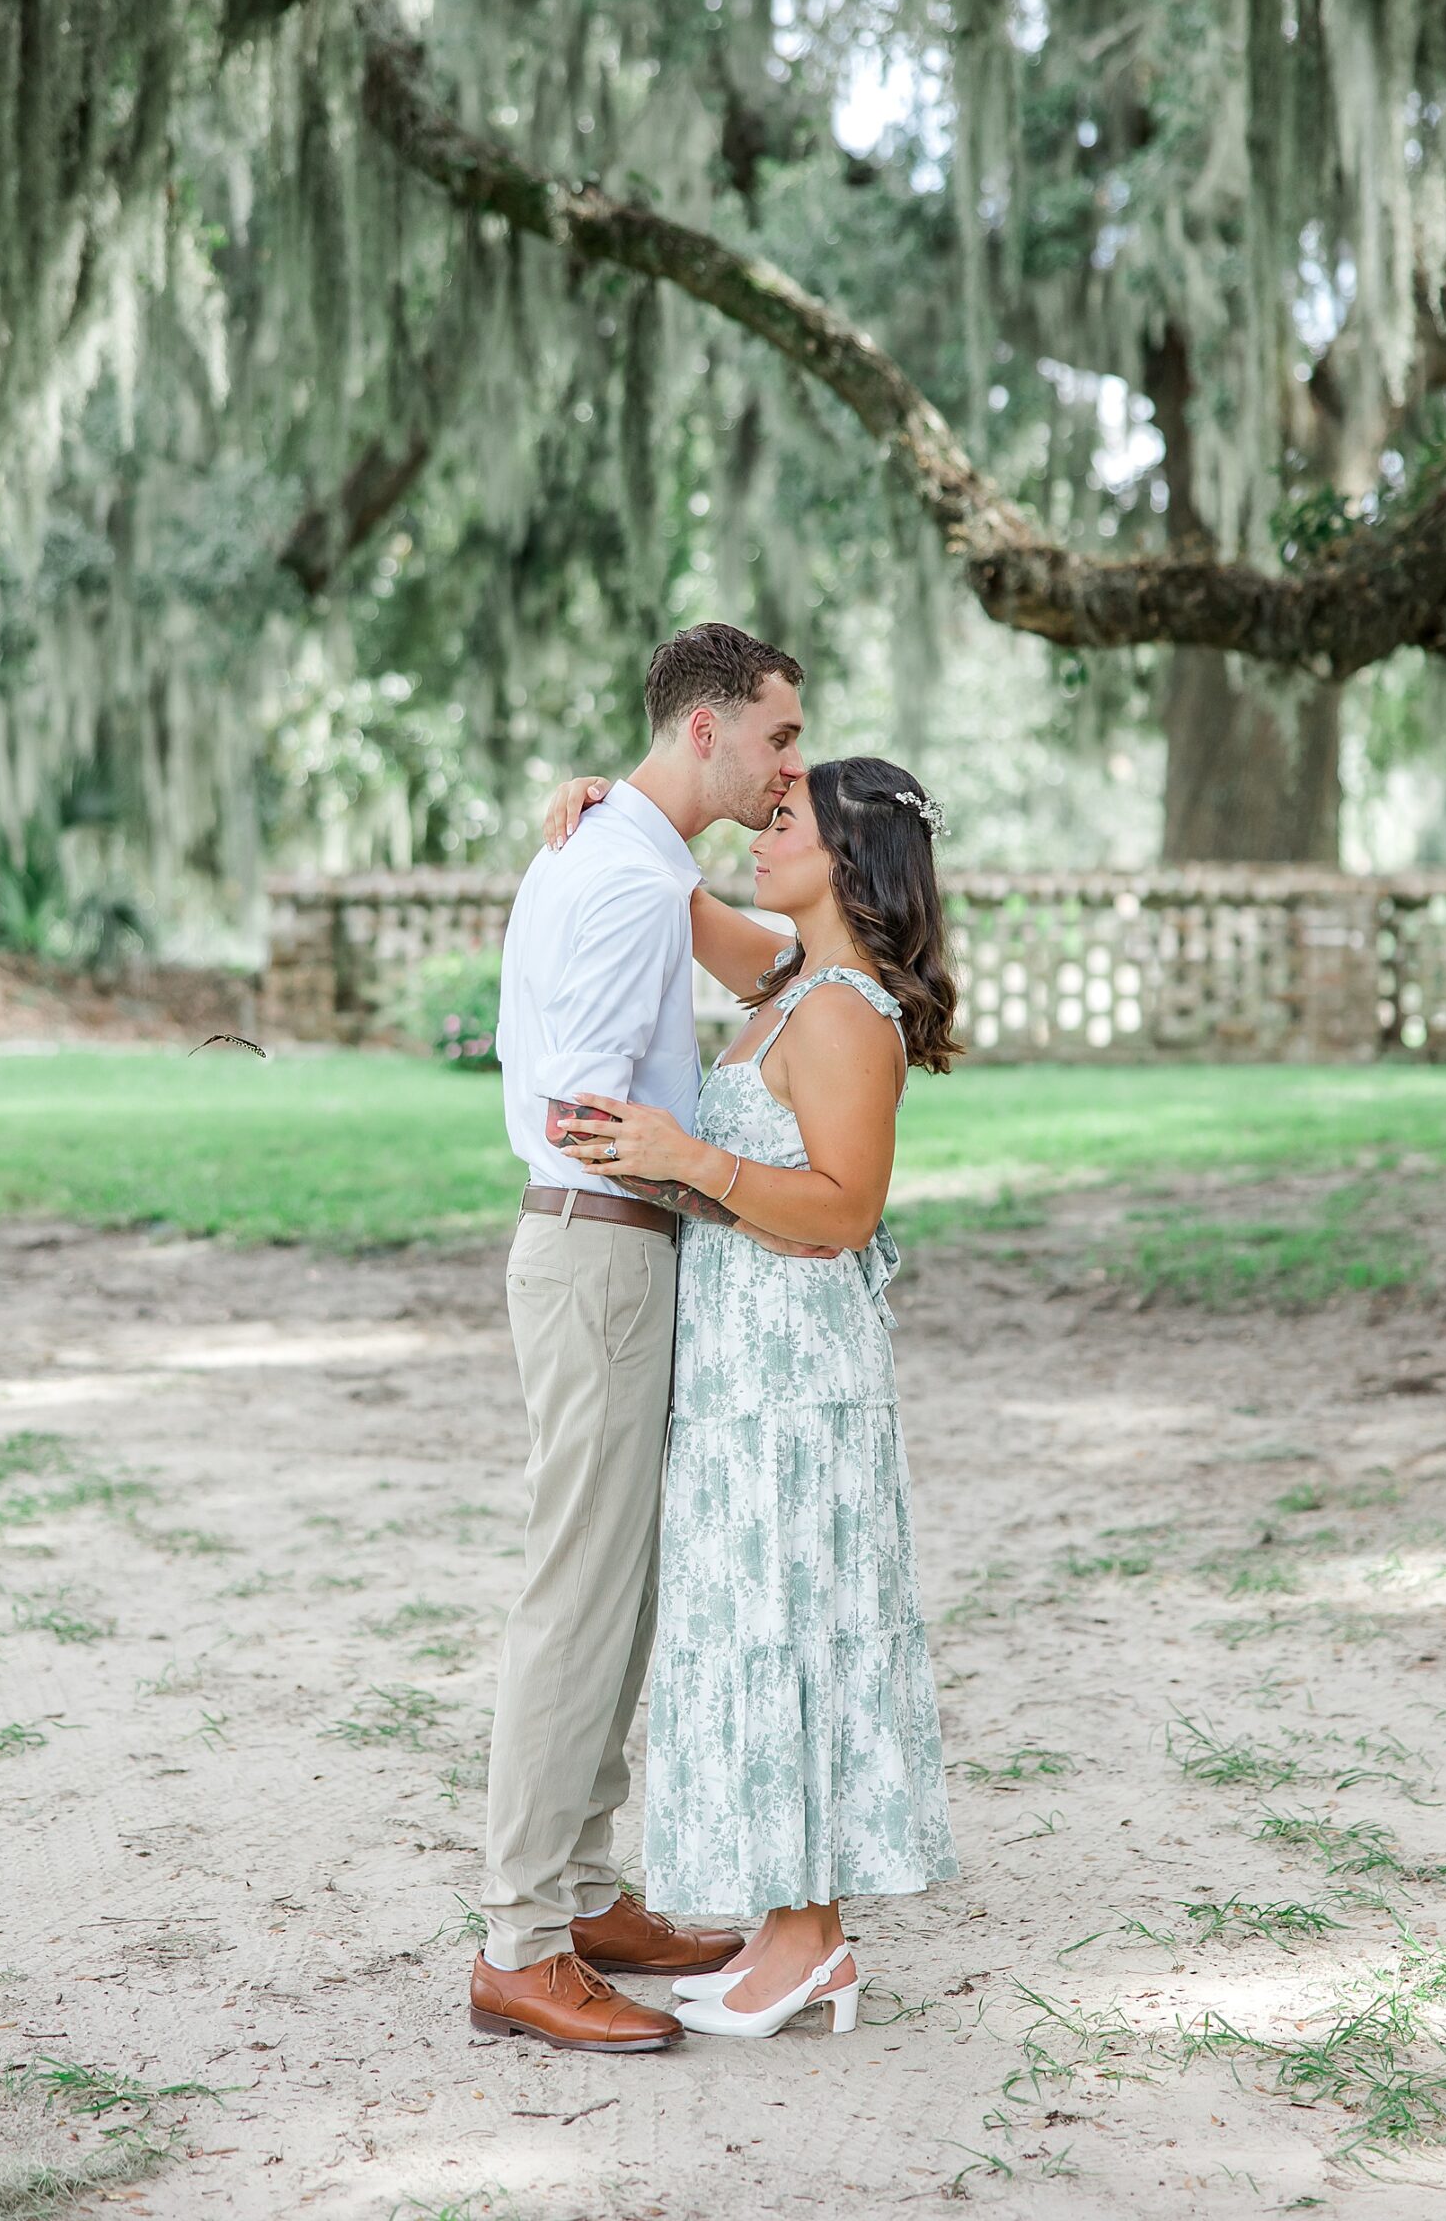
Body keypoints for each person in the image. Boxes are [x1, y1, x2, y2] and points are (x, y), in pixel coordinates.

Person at [552, 753, 960, 2042]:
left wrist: (690, 1159)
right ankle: (794, 1934)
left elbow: (845, 1210)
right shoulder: (787, 981)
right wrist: (597, 803)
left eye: (785, 819)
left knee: (801, 1636)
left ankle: (813, 1942)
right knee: (758, 1632)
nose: (759, 828)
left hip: (801, 1388)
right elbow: (666, 895)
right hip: (745, 1378)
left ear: (851, 858)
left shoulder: (844, 1012)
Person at [471, 622, 811, 2055]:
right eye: (779, 737)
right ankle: (522, 1945)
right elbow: (579, 1112)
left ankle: (587, 1891)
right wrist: (710, 1180)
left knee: (623, 1595)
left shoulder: (626, 854)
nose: (791, 763)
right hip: (600, 1258)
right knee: (577, 1597)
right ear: (703, 732)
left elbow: (783, 965)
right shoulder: (621, 868)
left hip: (616, 1262)